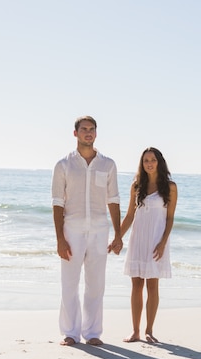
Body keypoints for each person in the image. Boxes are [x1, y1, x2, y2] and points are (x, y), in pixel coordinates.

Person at [51, 115, 123, 346]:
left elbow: (113, 200)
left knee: (96, 284)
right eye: (84, 129)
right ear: (75, 133)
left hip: (100, 230)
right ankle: (70, 333)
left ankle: (92, 333)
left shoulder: (108, 164)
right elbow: (57, 204)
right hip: (72, 229)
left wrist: (118, 234)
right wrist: (60, 239)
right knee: (69, 283)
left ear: (96, 133)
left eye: (92, 129)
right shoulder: (63, 165)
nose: (88, 133)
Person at [120, 147, 177, 343]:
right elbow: (129, 216)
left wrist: (162, 243)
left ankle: (149, 331)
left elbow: (169, 219)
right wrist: (117, 238)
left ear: (159, 162)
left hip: (156, 240)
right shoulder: (137, 186)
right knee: (136, 284)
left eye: (152, 160)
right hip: (138, 239)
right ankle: (135, 331)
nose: (149, 163)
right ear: (142, 164)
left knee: (152, 285)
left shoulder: (170, 187)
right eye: (146, 161)